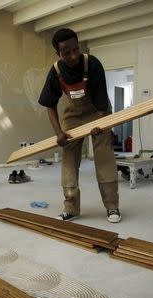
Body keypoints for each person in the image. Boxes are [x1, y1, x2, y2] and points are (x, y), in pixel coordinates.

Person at [38, 28, 121, 223]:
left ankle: (112, 207)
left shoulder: (92, 64)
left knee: (104, 156)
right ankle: (71, 208)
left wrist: (100, 123)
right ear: (58, 53)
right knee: (69, 159)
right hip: (73, 114)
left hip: (97, 111)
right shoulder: (56, 71)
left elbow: (102, 102)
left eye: (75, 49)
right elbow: (49, 105)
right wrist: (59, 133)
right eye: (66, 52)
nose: (73, 55)